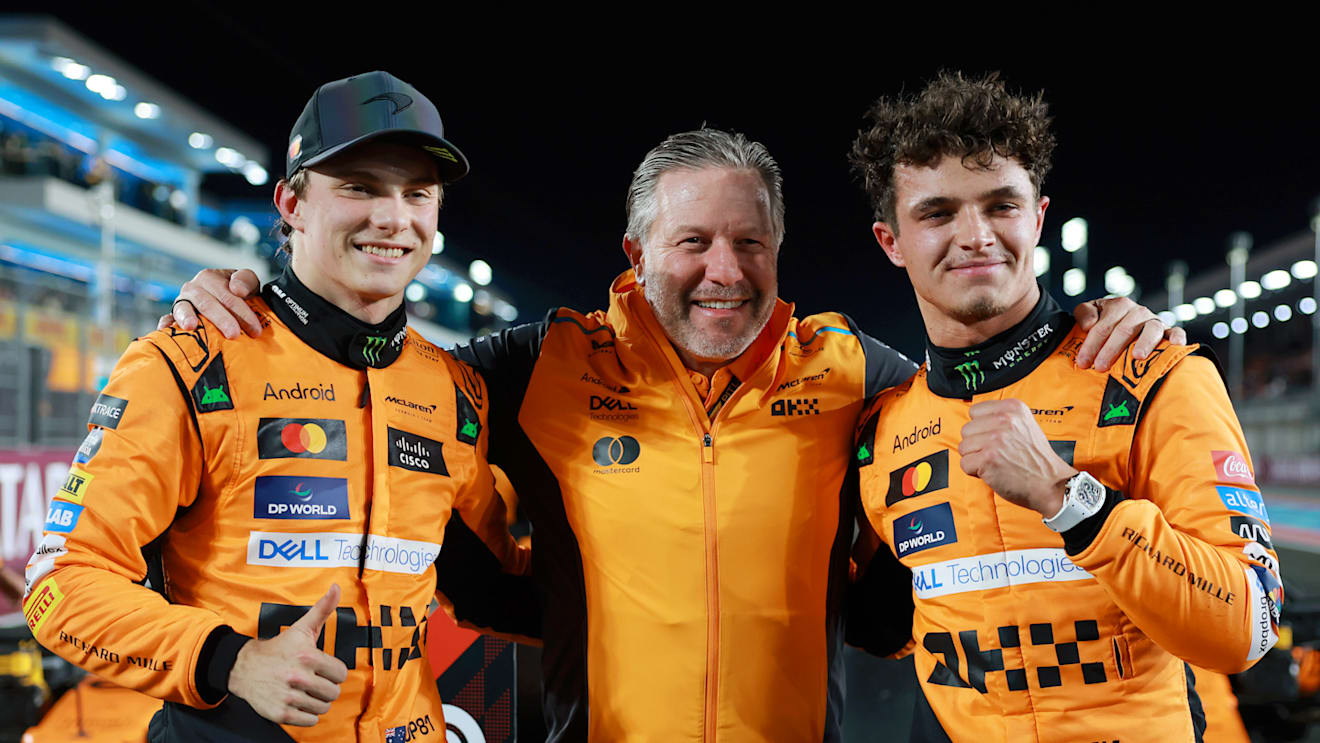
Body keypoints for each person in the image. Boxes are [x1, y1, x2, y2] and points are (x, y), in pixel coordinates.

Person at [166, 127, 1178, 742]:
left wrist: (1087, 327)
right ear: (637, 251)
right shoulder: (538, 366)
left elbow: (971, 385)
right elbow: (369, 367)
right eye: (692, 242)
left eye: (750, 242)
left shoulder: (854, 372)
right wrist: (258, 297)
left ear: (781, 250)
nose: (724, 271)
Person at [22, 71, 528, 742]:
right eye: (359, 186)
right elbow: (61, 582)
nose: (393, 217)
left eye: (417, 194)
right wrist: (230, 660)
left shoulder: (455, 387)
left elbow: (506, 574)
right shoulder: (187, 362)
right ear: (291, 202)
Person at [846, 71, 1280, 742]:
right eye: (937, 213)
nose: (976, 235)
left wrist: (1069, 497)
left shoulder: (1154, 375)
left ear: (1039, 217)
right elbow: (886, 627)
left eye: (1001, 205)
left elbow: (1248, 629)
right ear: (891, 241)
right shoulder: (882, 431)